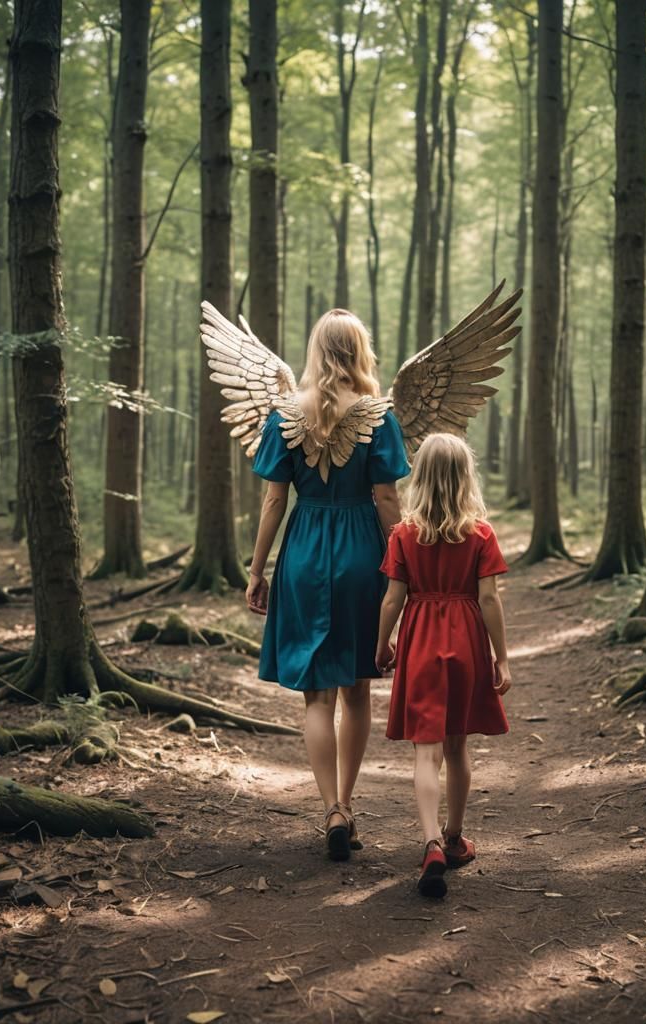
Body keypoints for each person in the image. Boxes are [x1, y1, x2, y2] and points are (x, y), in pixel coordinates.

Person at [247, 309, 410, 861]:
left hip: (304, 551)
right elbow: (388, 498)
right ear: (359, 350)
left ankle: (330, 810)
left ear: (316, 350)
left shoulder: (284, 414)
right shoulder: (378, 415)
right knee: (356, 689)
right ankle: (348, 799)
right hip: (363, 549)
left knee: (316, 694)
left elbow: (274, 500)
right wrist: (403, 564)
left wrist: (257, 568)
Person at [375, 433, 511, 898]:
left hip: (420, 643)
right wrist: (501, 656)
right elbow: (490, 598)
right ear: (464, 479)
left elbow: (393, 597)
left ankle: (430, 840)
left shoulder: (403, 535)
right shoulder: (481, 534)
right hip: (467, 641)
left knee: (426, 751)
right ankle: (455, 838)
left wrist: (382, 643)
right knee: (458, 749)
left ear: (422, 479)